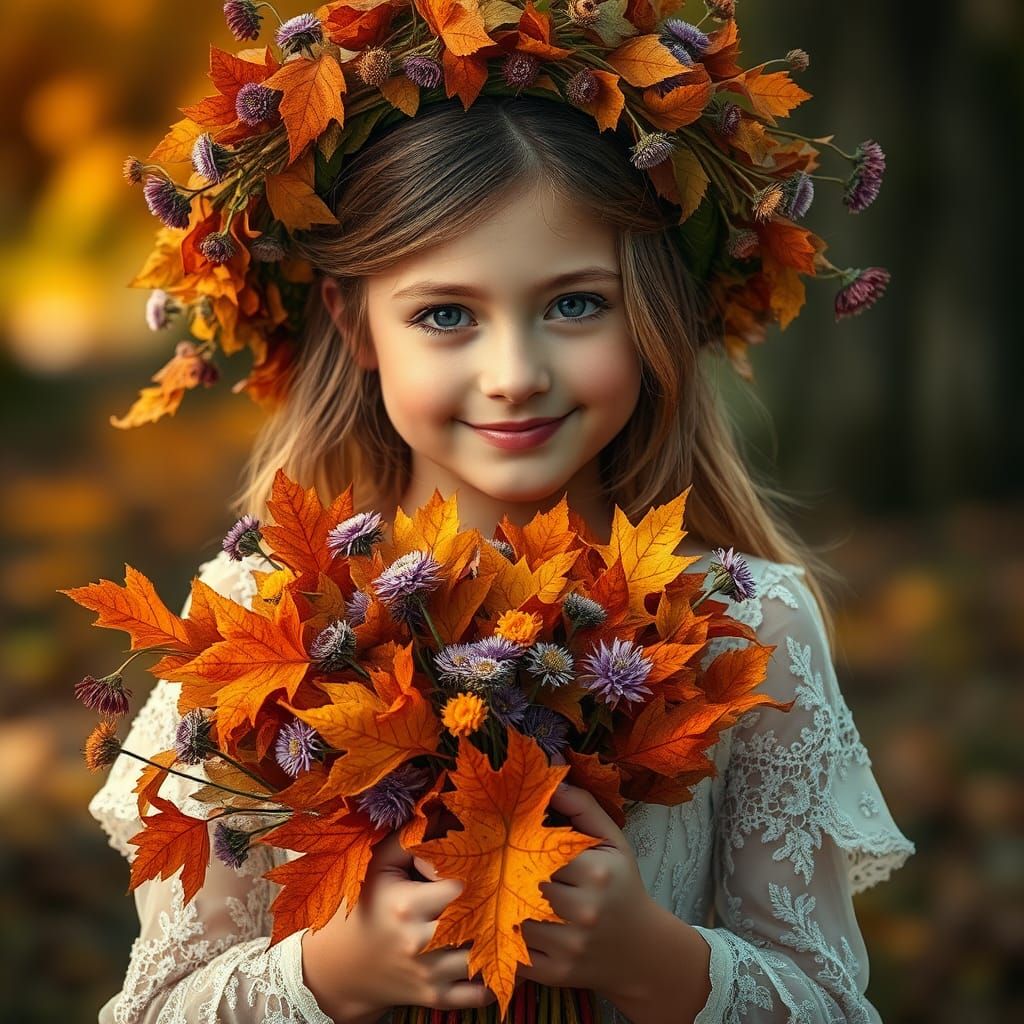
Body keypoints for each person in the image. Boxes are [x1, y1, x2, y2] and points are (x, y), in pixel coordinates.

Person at [87, 8, 913, 1023]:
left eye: (574, 304)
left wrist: (654, 959)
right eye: (446, 315)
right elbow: (155, 1008)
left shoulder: (754, 624)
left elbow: (831, 1003)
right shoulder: (259, 618)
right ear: (356, 324)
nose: (515, 375)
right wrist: (326, 977)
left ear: (651, 306)